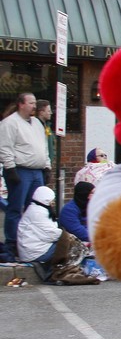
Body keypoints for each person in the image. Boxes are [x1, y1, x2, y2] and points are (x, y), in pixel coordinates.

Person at [0, 93, 51, 258]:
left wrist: (47, 166)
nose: (34, 106)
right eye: (31, 103)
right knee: (15, 207)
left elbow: (43, 146)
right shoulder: (10, 123)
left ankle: (30, 241)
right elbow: (5, 147)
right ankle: (12, 243)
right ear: (21, 104)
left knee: (35, 208)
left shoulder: (36, 123)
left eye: (35, 102)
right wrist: (10, 168)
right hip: (21, 170)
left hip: (37, 171)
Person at [17, 185, 61, 270]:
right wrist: (67, 236)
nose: (53, 202)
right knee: (69, 246)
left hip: (33, 250)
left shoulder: (38, 209)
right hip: (35, 253)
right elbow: (51, 235)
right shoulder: (38, 213)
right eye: (52, 200)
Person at [35, 99, 55, 170]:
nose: (51, 113)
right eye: (49, 111)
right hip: (38, 164)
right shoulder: (35, 127)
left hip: (46, 164)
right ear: (41, 112)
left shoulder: (47, 126)